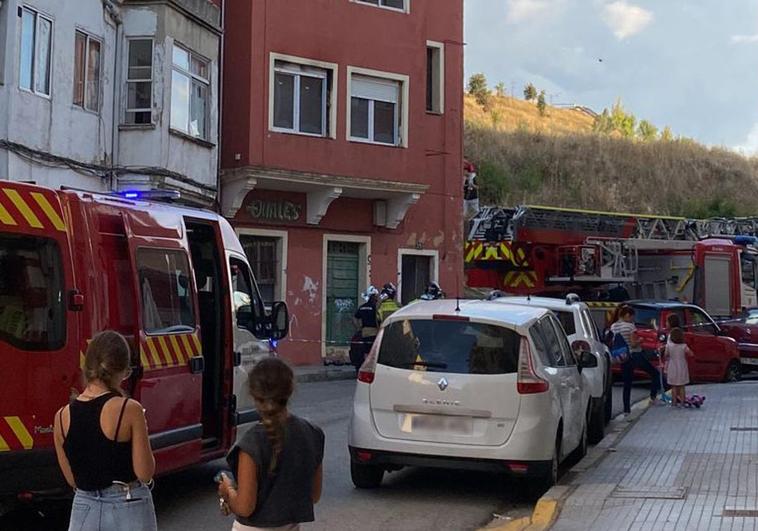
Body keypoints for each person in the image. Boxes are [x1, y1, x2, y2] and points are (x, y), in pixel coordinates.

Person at [53, 331, 157, 531]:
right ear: (123, 371)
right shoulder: (129, 409)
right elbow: (144, 472)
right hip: (127, 506)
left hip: (84, 508)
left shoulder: (61, 417)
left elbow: (72, 479)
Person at [218, 358, 325, 531]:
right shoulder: (313, 433)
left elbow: (245, 507)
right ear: (290, 389)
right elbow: (314, 495)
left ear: (254, 395)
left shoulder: (251, 443)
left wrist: (228, 491)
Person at [610, 305, 664, 415]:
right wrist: (640, 340)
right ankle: (653, 398)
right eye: (632, 317)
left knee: (627, 383)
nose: (633, 320)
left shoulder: (613, 326)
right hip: (635, 355)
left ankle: (626, 410)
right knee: (654, 373)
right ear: (627, 315)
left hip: (623, 357)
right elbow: (634, 344)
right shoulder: (630, 327)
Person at [662, 327, 693, 407]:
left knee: (674, 386)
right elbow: (691, 354)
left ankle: (674, 402)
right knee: (682, 386)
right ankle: (682, 403)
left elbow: (666, 355)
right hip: (682, 366)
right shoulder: (684, 346)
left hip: (672, 366)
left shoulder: (669, 346)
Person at [351, 286, 380, 370]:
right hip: (374, 332)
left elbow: (354, 318)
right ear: (373, 297)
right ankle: (371, 368)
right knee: (374, 352)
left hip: (364, 332)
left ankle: (365, 367)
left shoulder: (362, 307)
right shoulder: (375, 308)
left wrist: (358, 327)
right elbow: (378, 319)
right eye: (376, 296)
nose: (377, 298)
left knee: (366, 351)